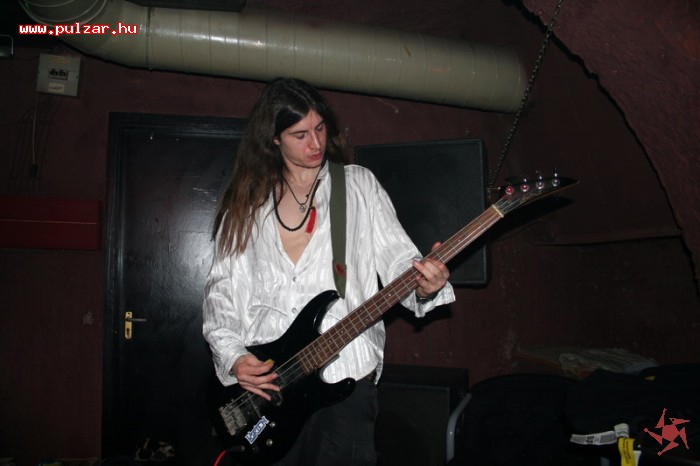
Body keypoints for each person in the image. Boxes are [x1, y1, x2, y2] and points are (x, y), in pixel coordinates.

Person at [202, 77, 455, 466]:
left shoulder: (357, 186)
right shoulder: (248, 204)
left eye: (320, 128)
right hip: (269, 384)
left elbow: (398, 259)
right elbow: (222, 292)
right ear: (273, 138)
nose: (315, 143)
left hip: (345, 375)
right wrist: (235, 357)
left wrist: (426, 287)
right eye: (300, 134)